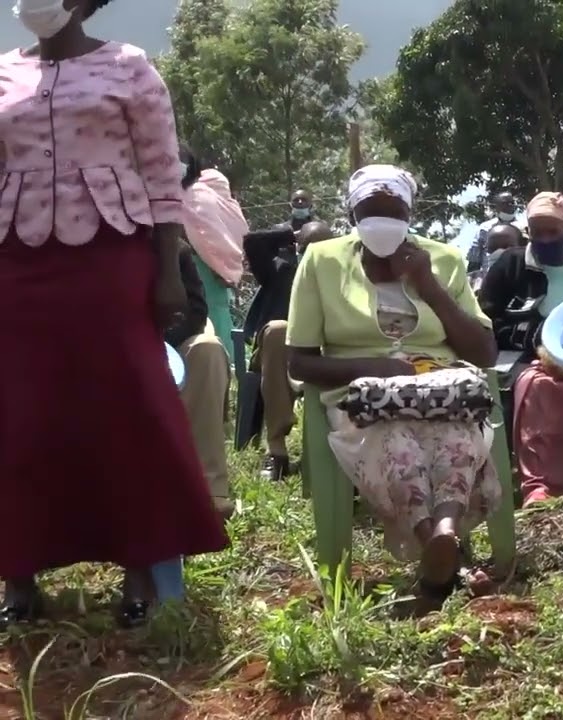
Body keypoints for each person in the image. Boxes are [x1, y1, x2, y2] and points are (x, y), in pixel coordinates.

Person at [0, 0, 228, 629]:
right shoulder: (2, 74)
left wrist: (165, 271)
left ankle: (139, 571)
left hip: (111, 256)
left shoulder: (128, 66)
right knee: (20, 413)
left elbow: (160, 174)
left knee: (127, 406)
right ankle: (19, 577)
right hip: (16, 262)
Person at [287, 164, 501, 595]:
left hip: (439, 389)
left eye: (394, 210)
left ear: (410, 213)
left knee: (455, 433)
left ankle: (443, 534)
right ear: (352, 214)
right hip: (361, 397)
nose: (382, 221)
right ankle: (437, 544)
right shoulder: (322, 260)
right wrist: (372, 368)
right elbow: (300, 362)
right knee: (395, 436)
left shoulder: (444, 259)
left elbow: (483, 352)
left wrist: (430, 287)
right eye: (370, 210)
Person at [480, 192, 563, 505]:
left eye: (553, 231)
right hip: (526, 355)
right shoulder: (511, 264)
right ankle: (538, 483)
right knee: (539, 386)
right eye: (537, 232)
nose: (545, 239)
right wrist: (535, 339)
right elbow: (487, 319)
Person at [244, 220, 334, 481]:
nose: (315, 255)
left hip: (326, 355)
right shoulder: (280, 271)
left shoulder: (343, 278)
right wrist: (288, 234)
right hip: (280, 354)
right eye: (308, 248)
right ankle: (277, 452)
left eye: (323, 248)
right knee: (278, 331)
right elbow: (252, 242)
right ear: (298, 248)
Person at [167, 242, 234, 522]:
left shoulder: (176, 251)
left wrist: (156, 346)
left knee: (207, 349)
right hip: (109, 353)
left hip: (169, 349)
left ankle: (211, 488)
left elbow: (196, 313)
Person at [178, 144, 247, 356]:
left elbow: (209, 233)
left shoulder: (196, 193)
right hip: (188, 264)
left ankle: (226, 367)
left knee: (214, 322)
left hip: (206, 267)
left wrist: (221, 265)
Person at [467, 191, 522, 272]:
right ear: (497, 207)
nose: (510, 205)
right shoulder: (485, 228)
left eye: (512, 202)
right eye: (505, 203)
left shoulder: (523, 227)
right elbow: (474, 259)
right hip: (488, 276)